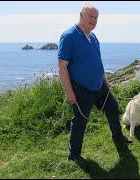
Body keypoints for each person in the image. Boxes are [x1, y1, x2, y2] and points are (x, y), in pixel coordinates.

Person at [58, 4, 132, 161]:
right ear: (81, 15)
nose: (93, 20)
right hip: (81, 88)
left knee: (113, 108)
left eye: (95, 18)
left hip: (100, 86)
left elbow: (98, 61)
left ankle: (117, 136)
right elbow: (62, 67)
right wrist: (68, 92)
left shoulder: (93, 37)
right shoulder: (69, 36)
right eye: (90, 16)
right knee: (80, 121)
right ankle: (74, 155)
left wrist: (105, 80)